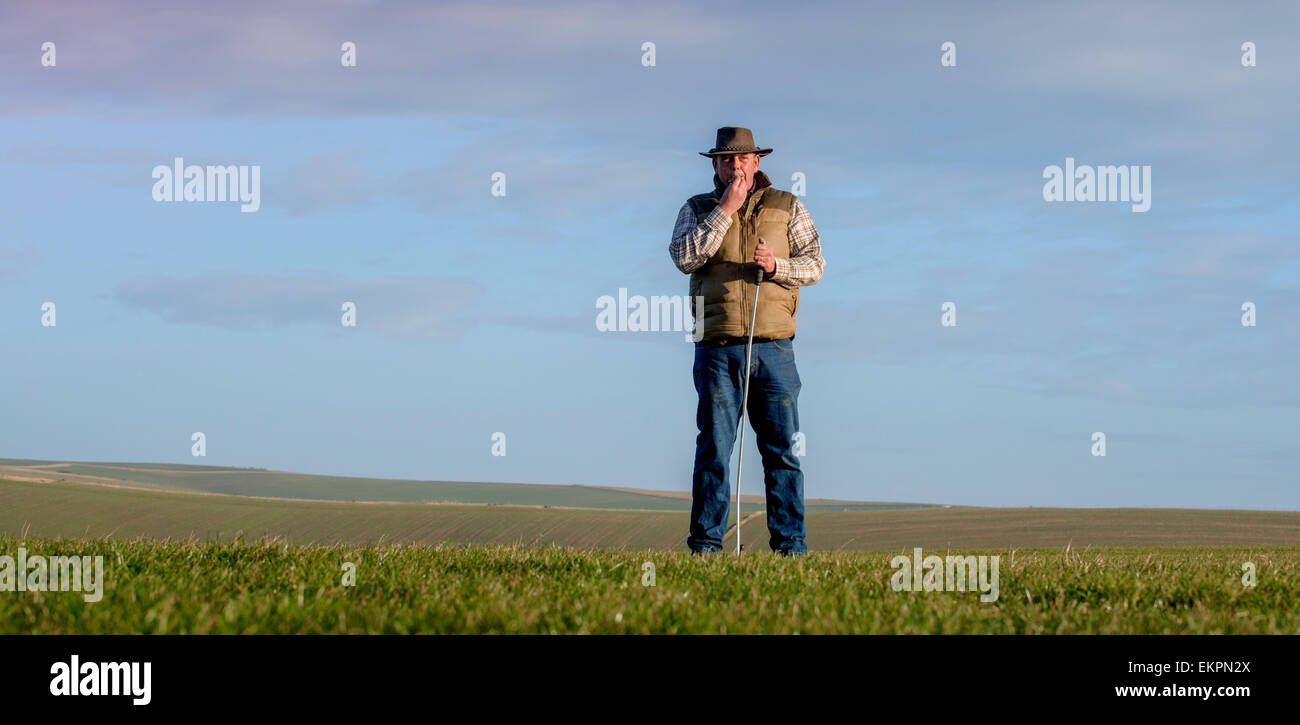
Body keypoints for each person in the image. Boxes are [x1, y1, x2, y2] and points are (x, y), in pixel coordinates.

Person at [668, 126, 826, 556]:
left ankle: (791, 548)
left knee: (783, 453)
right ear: (714, 165)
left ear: (758, 162)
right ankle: (705, 548)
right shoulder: (698, 208)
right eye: (725, 159)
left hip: (774, 348)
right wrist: (727, 209)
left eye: (742, 158)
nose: (734, 166)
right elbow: (685, 257)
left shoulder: (787, 206)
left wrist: (776, 266)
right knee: (715, 449)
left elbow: (815, 265)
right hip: (718, 348)